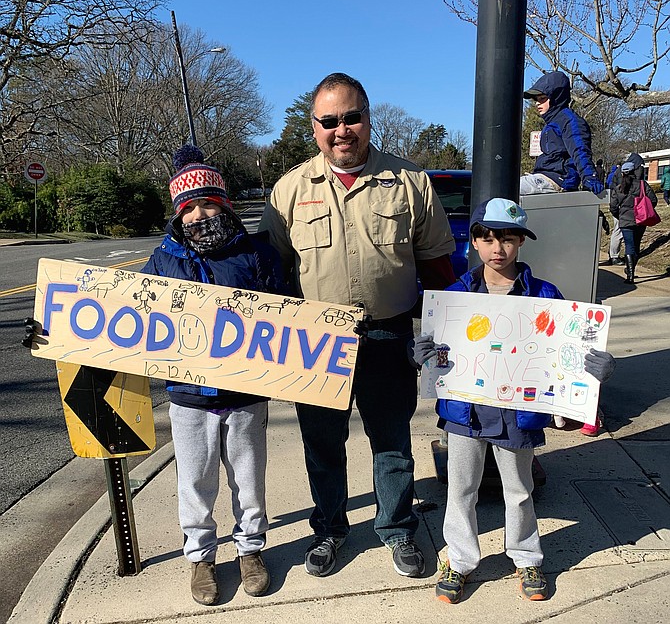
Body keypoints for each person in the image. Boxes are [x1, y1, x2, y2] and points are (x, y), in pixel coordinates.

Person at [259, 72, 457, 578]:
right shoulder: (288, 191)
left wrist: (448, 337)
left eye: (352, 117)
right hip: (315, 339)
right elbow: (268, 274)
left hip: (388, 334)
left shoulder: (410, 182)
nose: (341, 129)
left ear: (368, 119)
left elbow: (437, 266)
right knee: (322, 445)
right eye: (330, 121)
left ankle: (397, 529)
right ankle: (329, 530)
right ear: (314, 127)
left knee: (391, 441)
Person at [410, 198, 616, 604]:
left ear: (521, 241)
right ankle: (460, 559)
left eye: (507, 238)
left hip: (518, 412)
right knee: (461, 489)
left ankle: (526, 557)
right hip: (466, 411)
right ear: (474, 242)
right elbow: (437, 352)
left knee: (519, 488)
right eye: (486, 238)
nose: (497, 247)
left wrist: (593, 369)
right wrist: (420, 354)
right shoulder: (455, 295)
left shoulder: (545, 295)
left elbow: (568, 348)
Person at [142, 145, 286, 605]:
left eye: (209, 202)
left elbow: (290, 313)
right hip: (188, 397)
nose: (201, 213)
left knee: (249, 476)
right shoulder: (163, 261)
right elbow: (128, 320)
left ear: (223, 202)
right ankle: (201, 557)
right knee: (196, 480)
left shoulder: (255, 254)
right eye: (190, 206)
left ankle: (250, 550)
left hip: (245, 393)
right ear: (178, 213)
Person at [520, 71, 604, 196]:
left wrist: (589, 176)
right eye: (536, 100)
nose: (538, 103)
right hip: (545, 176)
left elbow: (580, 150)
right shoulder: (551, 123)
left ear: (555, 98)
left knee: (504, 190)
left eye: (542, 98)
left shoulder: (570, 121)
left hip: (558, 179)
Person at [609, 153, 658, 284]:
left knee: (629, 246)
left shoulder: (619, 188)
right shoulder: (642, 185)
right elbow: (653, 200)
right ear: (634, 171)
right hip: (641, 220)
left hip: (625, 221)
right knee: (636, 246)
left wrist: (619, 216)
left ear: (623, 173)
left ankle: (630, 275)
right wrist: (645, 208)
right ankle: (631, 269)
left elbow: (613, 206)